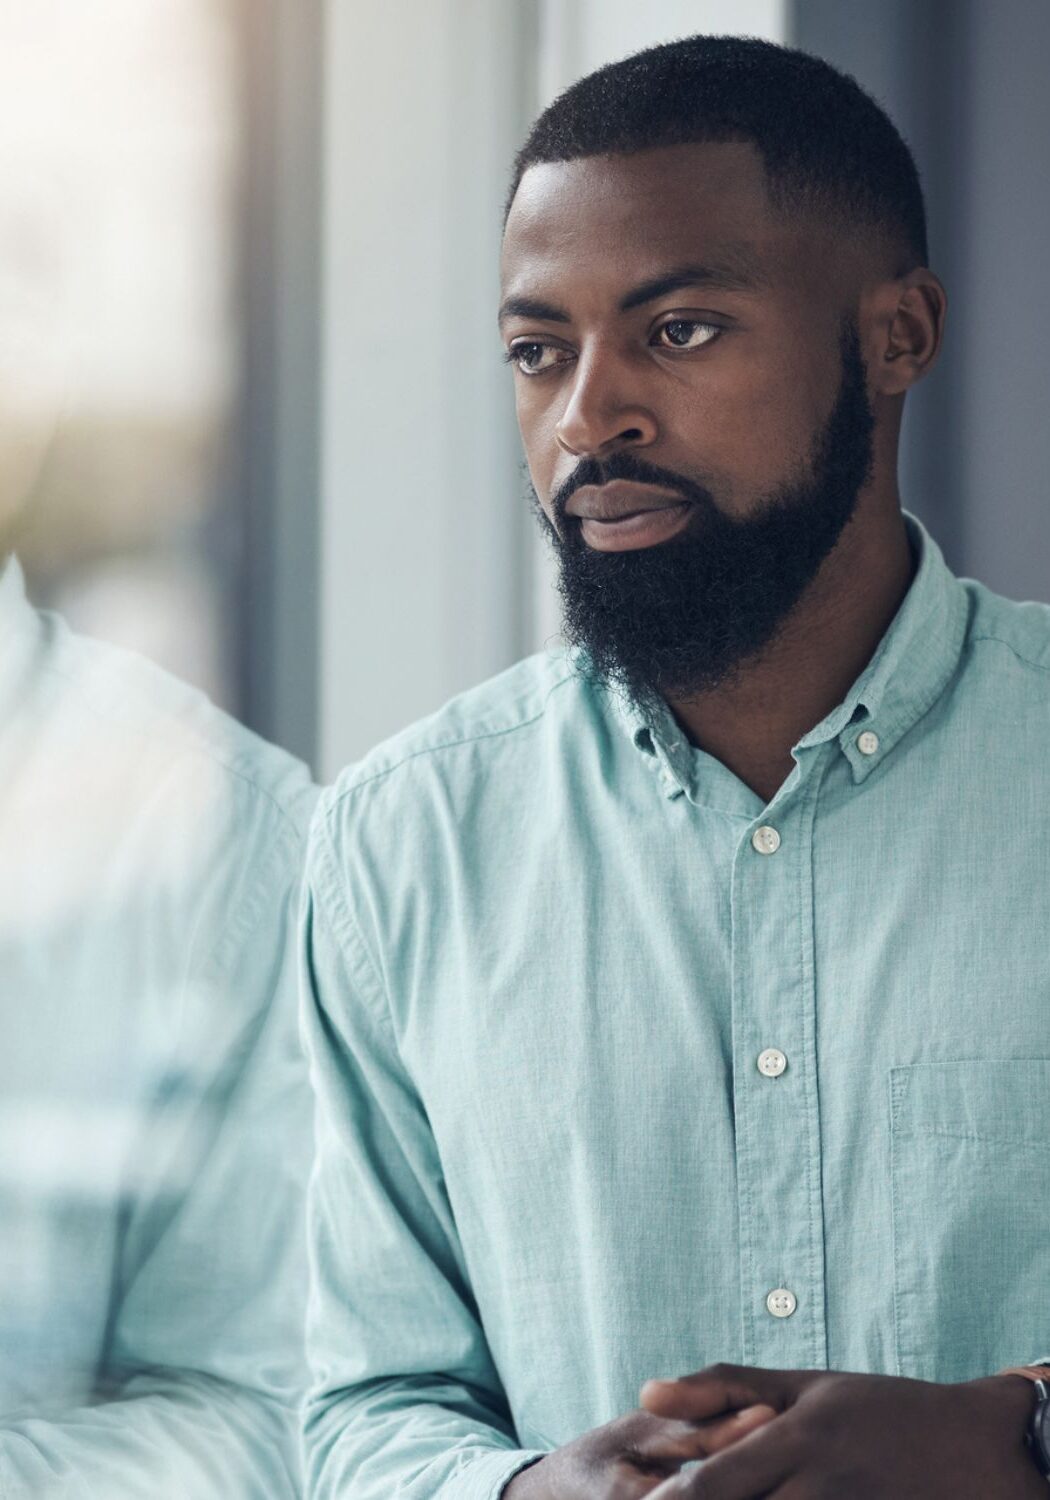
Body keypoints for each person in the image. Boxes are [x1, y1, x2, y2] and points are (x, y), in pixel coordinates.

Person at [300, 35, 1050, 1499]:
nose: (590, 417)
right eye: (537, 351)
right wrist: (523, 1494)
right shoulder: (403, 840)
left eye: (681, 330)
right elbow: (361, 1404)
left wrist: (1008, 1435)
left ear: (896, 336)